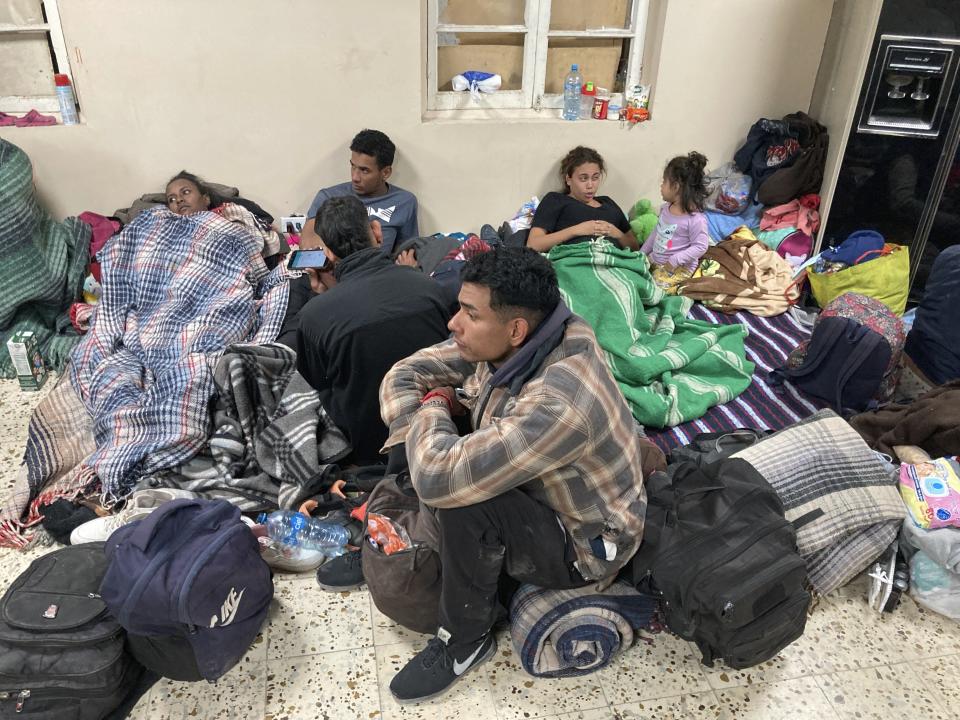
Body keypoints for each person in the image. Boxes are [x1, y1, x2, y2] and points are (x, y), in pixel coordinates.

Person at [376, 246, 647, 703]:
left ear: (516, 328)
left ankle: (464, 639)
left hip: (585, 545)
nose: (452, 325)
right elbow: (405, 372)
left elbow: (438, 477)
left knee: (464, 497)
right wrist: (422, 420)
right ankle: (403, 528)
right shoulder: (529, 335)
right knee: (427, 435)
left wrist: (437, 406)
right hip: (539, 489)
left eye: (468, 313)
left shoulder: (559, 399)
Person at [295, 195, 451, 465]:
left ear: (328, 254)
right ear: (377, 232)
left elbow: (316, 382)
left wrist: (320, 298)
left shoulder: (314, 315)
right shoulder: (430, 288)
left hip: (367, 452)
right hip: (440, 434)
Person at [300, 129, 418, 256]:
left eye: (364, 170)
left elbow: (406, 253)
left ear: (385, 173)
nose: (355, 177)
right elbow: (308, 244)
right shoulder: (329, 197)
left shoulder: (404, 201)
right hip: (335, 272)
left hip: (379, 272)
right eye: (353, 166)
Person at [527, 146, 639, 252]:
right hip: (575, 260)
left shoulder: (608, 203)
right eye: (583, 179)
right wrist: (577, 230)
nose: (590, 185)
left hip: (614, 261)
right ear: (568, 179)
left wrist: (616, 233)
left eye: (595, 178)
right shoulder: (556, 200)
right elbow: (533, 244)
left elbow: (635, 248)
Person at [164, 170, 285, 261]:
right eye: (172, 199)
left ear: (206, 199)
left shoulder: (231, 215)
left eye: (185, 192)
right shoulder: (167, 236)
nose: (179, 200)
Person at [640, 152, 711, 292]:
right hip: (657, 260)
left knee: (651, 289)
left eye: (664, 181)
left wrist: (675, 260)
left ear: (676, 187)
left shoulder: (695, 219)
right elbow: (657, 232)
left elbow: (701, 246)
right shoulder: (666, 209)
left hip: (678, 268)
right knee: (635, 271)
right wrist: (642, 253)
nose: (661, 186)